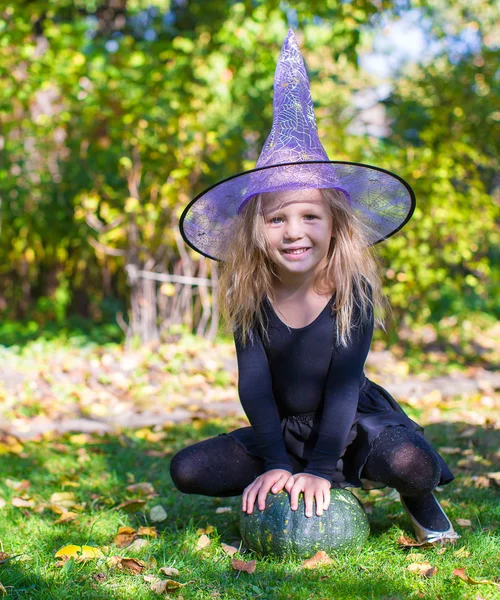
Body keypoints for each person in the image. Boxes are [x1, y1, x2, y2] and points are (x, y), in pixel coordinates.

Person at [171, 29, 459, 545]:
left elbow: (345, 383)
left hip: (353, 425)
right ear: (256, 229)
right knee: (188, 469)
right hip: (285, 431)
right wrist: (278, 462)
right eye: (278, 219)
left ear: (335, 223)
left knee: (413, 464)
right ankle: (288, 479)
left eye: (310, 216)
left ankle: (409, 494)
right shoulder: (250, 298)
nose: (295, 231)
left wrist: (324, 467)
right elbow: (254, 386)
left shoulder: (353, 291)